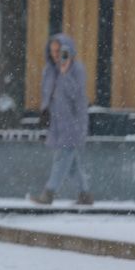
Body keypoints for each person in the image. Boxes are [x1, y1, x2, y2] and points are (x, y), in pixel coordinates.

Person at [29, 32, 94, 206]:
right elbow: (48, 93)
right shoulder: (49, 70)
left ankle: (48, 194)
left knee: (62, 158)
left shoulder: (77, 70)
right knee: (71, 164)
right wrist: (44, 111)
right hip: (57, 123)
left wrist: (65, 74)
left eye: (59, 51)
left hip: (73, 122)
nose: (55, 54)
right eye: (52, 50)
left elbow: (76, 95)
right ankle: (84, 194)